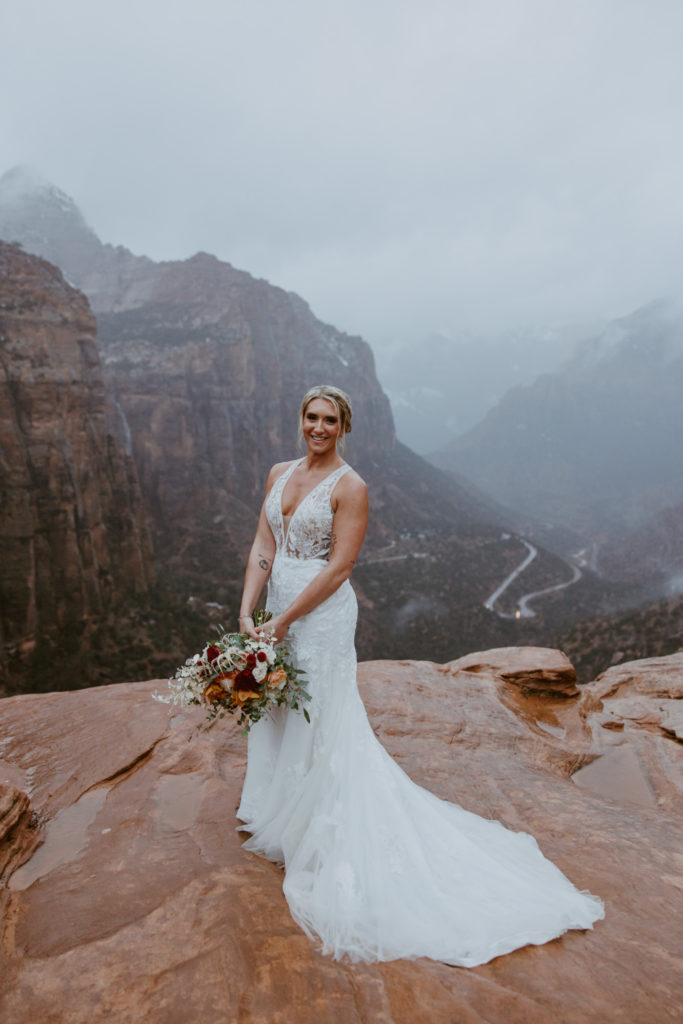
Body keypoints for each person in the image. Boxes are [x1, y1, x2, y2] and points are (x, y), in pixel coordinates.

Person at [236, 384, 604, 967]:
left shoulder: (350, 487)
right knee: (279, 704)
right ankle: (282, 806)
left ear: (345, 426)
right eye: (311, 417)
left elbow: (340, 568)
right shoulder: (279, 473)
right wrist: (247, 608)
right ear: (299, 419)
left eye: (330, 420)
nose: (318, 427)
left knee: (322, 710)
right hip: (276, 609)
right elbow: (263, 542)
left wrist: (283, 619)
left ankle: (317, 820)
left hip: (319, 617)